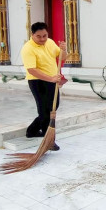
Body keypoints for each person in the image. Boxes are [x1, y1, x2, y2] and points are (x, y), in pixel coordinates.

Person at [21, 22, 67, 150]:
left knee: (53, 107)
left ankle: (32, 131)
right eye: (38, 36)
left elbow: (63, 57)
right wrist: (51, 78)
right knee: (45, 111)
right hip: (37, 81)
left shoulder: (50, 42)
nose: (42, 39)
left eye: (44, 36)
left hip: (52, 81)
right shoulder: (28, 48)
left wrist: (64, 49)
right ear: (32, 35)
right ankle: (49, 141)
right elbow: (32, 70)